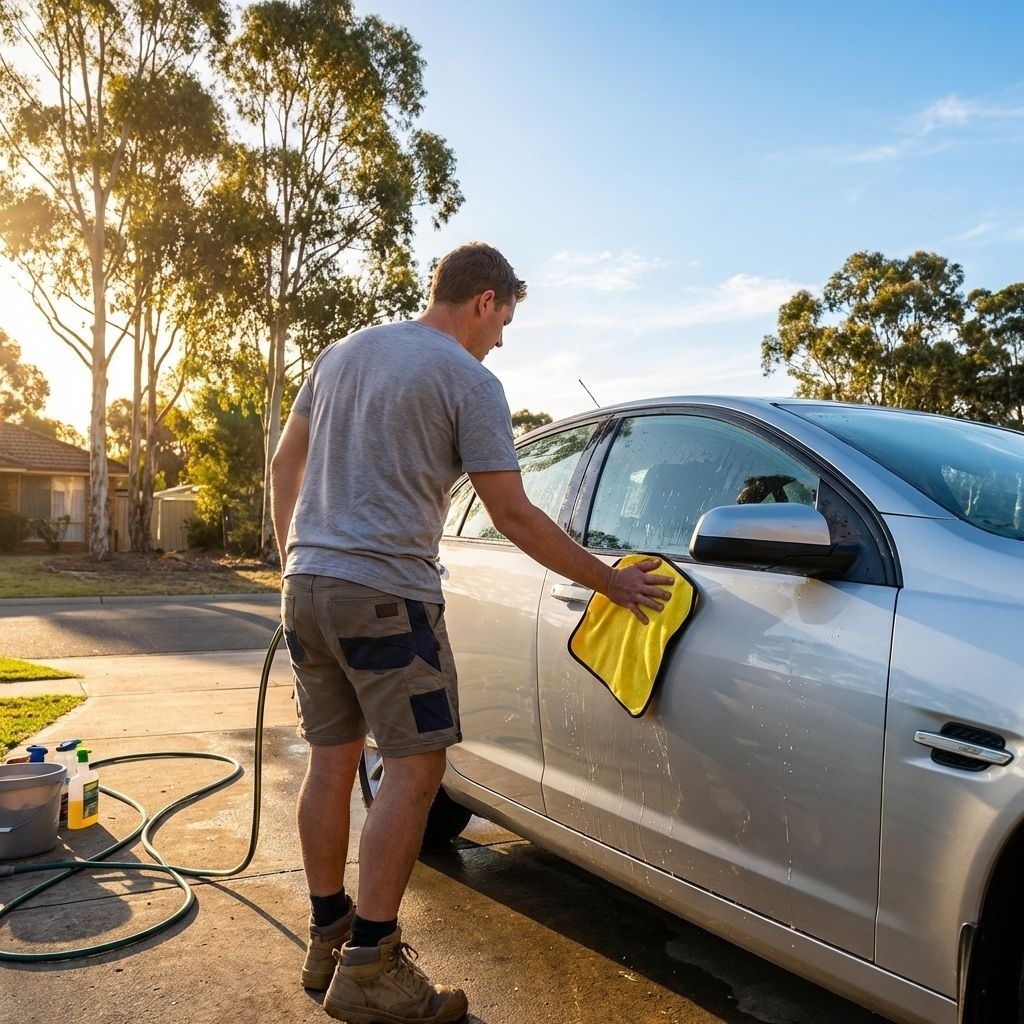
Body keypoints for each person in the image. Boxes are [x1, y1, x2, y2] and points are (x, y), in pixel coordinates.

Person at [270, 241, 673, 1024]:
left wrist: (297, 554)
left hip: (308, 587)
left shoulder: (344, 352)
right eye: (505, 320)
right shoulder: (468, 380)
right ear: (484, 300)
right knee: (418, 771)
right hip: (386, 595)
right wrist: (612, 581)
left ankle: (329, 938)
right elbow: (513, 513)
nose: (502, 339)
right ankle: (372, 965)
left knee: (331, 762)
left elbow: (288, 460)